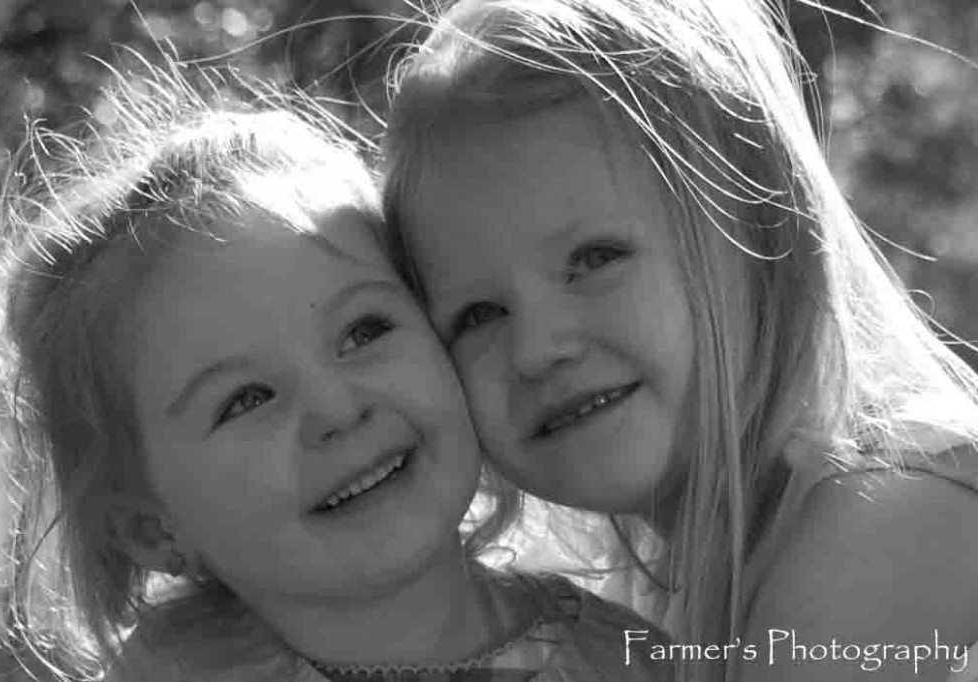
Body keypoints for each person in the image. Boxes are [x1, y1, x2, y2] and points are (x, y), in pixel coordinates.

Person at [0, 63, 667, 681]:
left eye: (364, 331)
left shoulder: (632, 661)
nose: (337, 406)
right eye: (246, 398)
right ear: (152, 528)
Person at [380, 1, 978, 680]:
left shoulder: (883, 525)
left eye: (595, 258)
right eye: (479, 315)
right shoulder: (663, 594)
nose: (537, 348)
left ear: (756, 229)